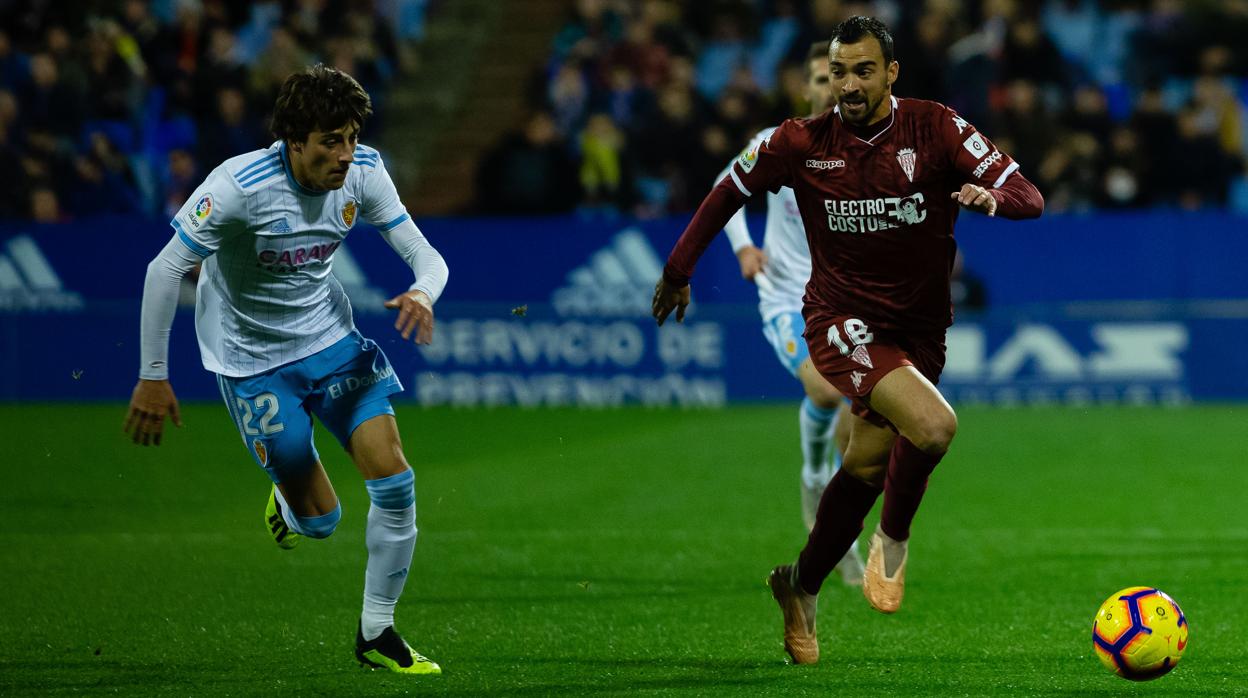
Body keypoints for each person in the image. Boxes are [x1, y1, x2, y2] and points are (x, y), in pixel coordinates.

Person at [652, 17, 1043, 665]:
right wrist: (678, 270)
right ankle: (892, 540)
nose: (850, 84)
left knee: (865, 464)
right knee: (935, 428)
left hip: (919, 330)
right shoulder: (800, 142)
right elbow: (728, 190)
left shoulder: (936, 127)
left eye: (864, 71)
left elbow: (1028, 193)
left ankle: (799, 585)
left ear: (891, 73)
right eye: (840, 73)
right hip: (840, 321)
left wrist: (992, 200)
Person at [123, 64, 448, 676]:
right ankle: (290, 501)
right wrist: (153, 373)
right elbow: (165, 270)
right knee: (322, 523)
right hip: (251, 361)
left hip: (331, 342)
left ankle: (377, 633)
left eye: (351, 137)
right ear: (294, 141)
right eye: (331, 140)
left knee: (396, 480)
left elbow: (427, 257)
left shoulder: (365, 174)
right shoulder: (239, 187)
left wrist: (424, 293)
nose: (345, 155)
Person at [717, 41, 863, 585]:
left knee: (864, 416)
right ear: (806, 88)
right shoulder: (776, 143)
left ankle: (838, 523)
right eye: (821, 78)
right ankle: (811, 475)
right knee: (825, 390)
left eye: (840, 77)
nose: (831, 87)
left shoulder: (869, 151)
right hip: (786, 296)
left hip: (848, 300)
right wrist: (742, 247)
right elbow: (724, 190)